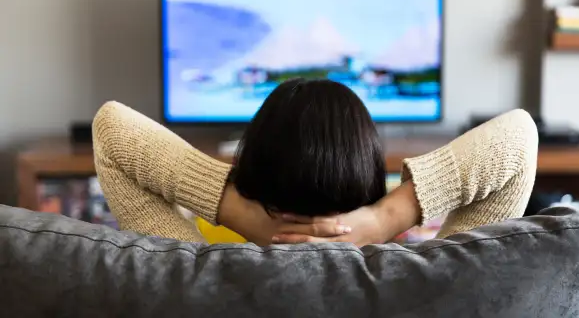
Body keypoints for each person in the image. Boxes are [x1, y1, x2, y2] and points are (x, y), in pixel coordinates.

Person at [92, 79, 538, 246]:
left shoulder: (192, 279)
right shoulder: (432, 283)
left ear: (252, 171)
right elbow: (519, 135)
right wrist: (384, 220)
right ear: (368, 178)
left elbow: (111, 129)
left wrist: (245, 217)